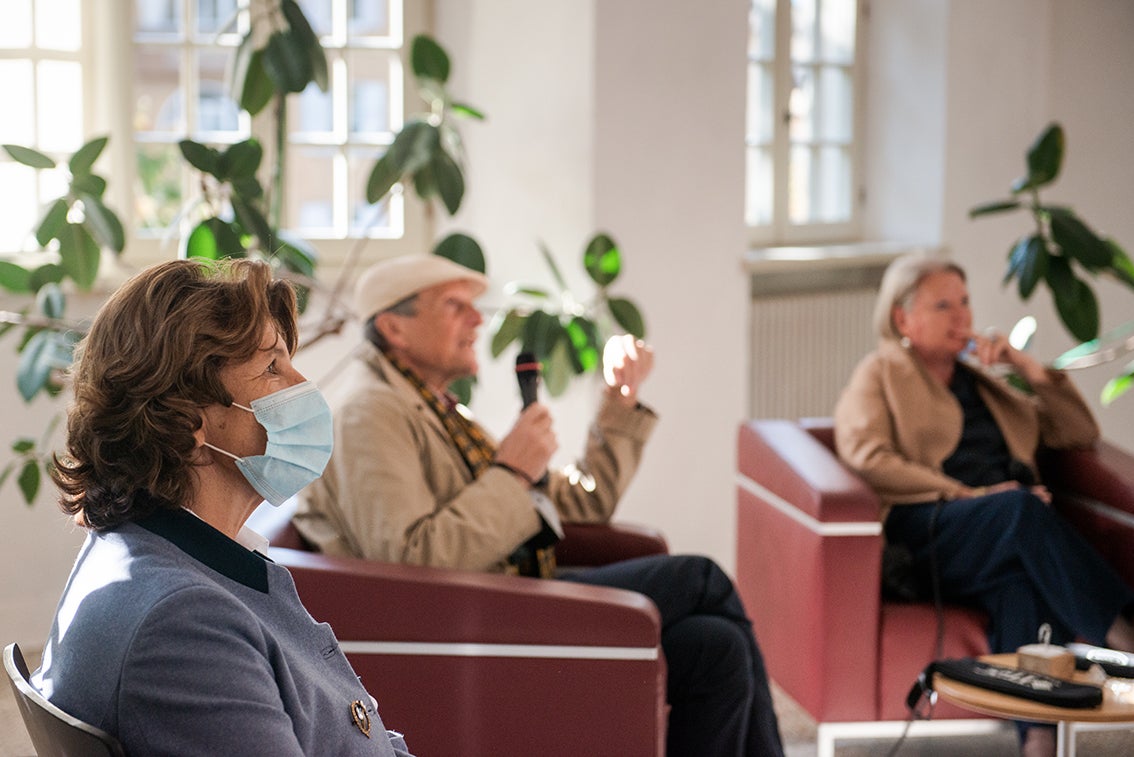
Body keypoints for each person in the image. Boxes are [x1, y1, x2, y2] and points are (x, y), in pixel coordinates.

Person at [295, 254, 785, 757]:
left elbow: (579, 504)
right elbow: (410, 558)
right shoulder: (368, 414)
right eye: (454, 306)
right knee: (701, 578)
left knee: (715, 647)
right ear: (394, 327)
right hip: (483, 616)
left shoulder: (436, 409)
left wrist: (619, 401)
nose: (477, 319)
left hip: (507, 594)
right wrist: (510, 472)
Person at [33, 259, 412, 756]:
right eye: (272, 367)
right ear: (188, 423)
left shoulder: (156, 553)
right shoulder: (184, 625)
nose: (304, 385)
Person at [834, 253, 1134, 757]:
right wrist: (971, 496)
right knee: (1018, 512)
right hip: (931, 530)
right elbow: (867, 457)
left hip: (1009, 532)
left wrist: (1025, 366)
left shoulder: (987, 380)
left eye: (966, 302)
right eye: (944, 305)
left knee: (1022, 583)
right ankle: (1123, 634)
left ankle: (1038, 740)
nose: (963, 317)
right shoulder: (881, 370)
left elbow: (1078, 434)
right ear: (903, 318)